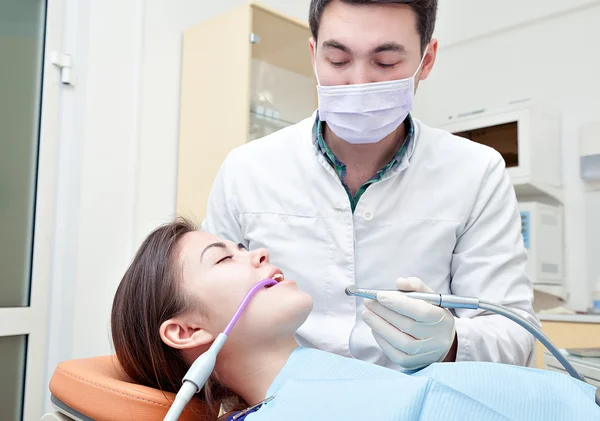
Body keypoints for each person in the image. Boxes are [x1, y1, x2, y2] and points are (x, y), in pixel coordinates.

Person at [201, 0, 540, 371]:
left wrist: (453, 342)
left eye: (386, 62)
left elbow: (516, 336)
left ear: (426, 61)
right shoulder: (246, 170)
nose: (359, 82)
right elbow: (205, 308)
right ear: (314, 55)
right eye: (338, 60)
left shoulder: (477, 172)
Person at [110, 220, 599, 421]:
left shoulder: (330, 384)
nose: (256, 253)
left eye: (242, 246)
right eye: (223, 259)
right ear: (186, 331)